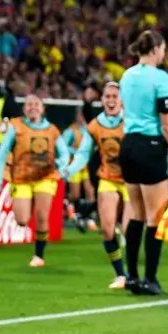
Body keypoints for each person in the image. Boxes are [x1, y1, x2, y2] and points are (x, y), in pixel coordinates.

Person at [118, 30, 168, 296]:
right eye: (164, 48)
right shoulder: (160, 78)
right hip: (151, 144)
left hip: (129, 144)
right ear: (156, 48)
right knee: (155, 215)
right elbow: (167, 123)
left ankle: (131, 277)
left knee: (136, 212)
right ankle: (150, 278)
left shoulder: (126, 75)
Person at [61, 81, 132, 288]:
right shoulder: (95, 125)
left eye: (114, 97)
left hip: (131, 180)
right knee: (108, 230)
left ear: (122, 101)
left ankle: (136, 274)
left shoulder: (131, 121)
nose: (111, 100)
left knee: (129, 231)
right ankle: (121, 275)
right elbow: (83, 154)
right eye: (107, 97)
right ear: (102, 101)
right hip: (108, 178)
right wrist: (68, 170)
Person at [0, 94, 70, 267]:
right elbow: (4, 150)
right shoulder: (16, 126)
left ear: (42, 109)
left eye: (36, 104)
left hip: (45, 177)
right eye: (29, 104)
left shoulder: (52, 130)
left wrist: (62, 165)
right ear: (24, 109)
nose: (33, 107)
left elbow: (64, 153)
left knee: (42, 217)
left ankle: (39, 256)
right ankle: (28, 203)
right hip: (21, 177)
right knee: (22, 220)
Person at [62, 109, 97, 233]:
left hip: (86, 166)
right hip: (74, 165)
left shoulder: (89, 129)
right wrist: (76, 152)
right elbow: (63, 146)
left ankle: (85, 216)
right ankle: (68, 206)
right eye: (80, 115)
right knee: (75, 194)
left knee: (90, 193)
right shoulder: (70, 131)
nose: (82, 118)